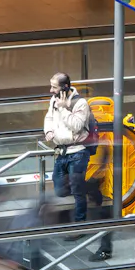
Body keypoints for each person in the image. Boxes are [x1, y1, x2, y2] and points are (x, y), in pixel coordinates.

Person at [43, 73, 98, 222]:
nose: (51, 90)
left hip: (78, 152)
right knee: (59, 189)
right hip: (61, 151)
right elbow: (49, 117)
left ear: (65, 87)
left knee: (77, 191)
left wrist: (62, 109)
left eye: (54, 87)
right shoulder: (54, 99)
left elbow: (77, 126)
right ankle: (88, 186)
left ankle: (79, 222)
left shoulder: (80, 103)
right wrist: (48, 131)